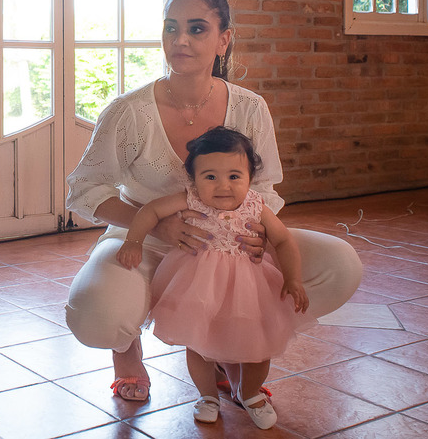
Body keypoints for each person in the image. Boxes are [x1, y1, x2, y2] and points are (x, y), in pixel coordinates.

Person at [65, 0, 363, 405]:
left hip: (230, 245)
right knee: (99, 316)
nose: (180, 39)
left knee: (340, 264)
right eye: (171, 27)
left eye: (197, 28)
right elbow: (86, 189)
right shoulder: (128, 112)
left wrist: (258, 233)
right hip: (145, 238)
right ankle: (126, 349)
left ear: (224, 40)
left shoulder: (250, 108)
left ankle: (227, 346)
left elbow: (264, 188)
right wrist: (158, 226)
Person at [117, 126, 312, 429]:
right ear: (193, 179)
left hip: (250, 289)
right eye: (210, 176)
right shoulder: (191, 200)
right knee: (199, 344)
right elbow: (151, 211)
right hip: (198, 286)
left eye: (234, 176)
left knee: (258, 346)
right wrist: (133, 241)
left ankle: (250, 395)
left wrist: (293, 278)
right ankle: (207, 396)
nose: (223, 186)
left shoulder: (256, 206)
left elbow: (284, 241)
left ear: (250, 177)